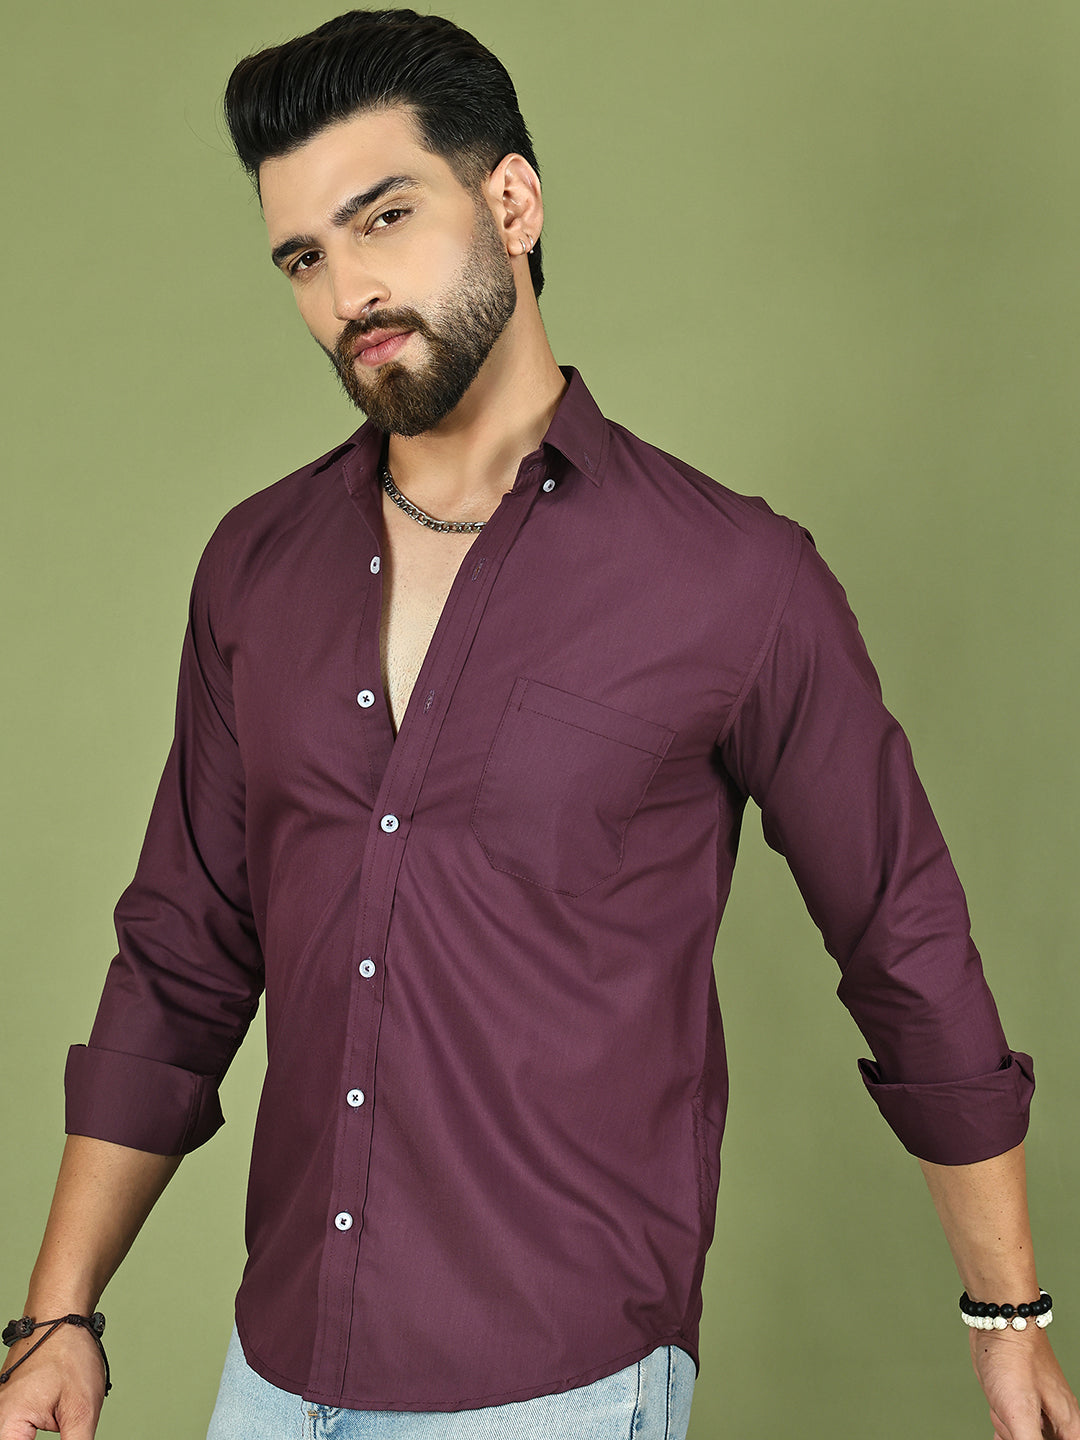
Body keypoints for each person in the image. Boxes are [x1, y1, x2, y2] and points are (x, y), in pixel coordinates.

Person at [1, 9, 1076, 1440]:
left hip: (557, 1388)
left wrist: (1007, 1317)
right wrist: (59, 1314)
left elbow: (904, 935)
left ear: (511, 202)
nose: (348, 290)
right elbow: (183, 952)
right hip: (273, 1376)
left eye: (384, 217)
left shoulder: (733, 580)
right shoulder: (256, 567)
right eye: (304, 257)